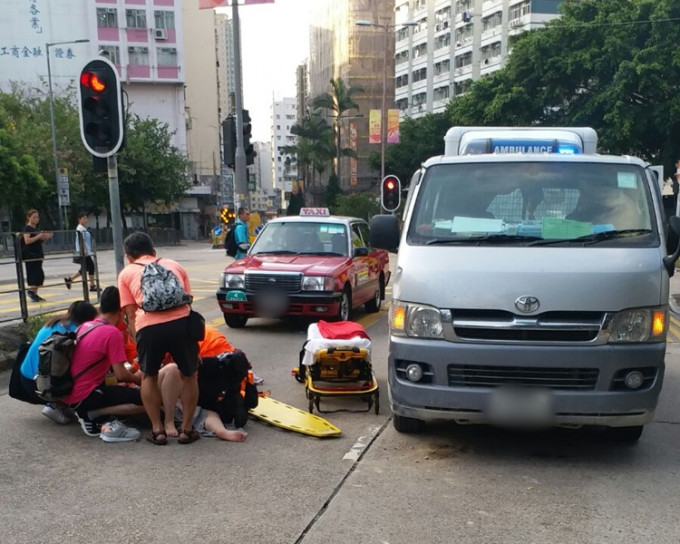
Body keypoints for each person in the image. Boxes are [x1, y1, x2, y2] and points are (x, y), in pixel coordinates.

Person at [117, 231, 200, 446]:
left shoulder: (126, 273)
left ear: (129, 256)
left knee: (149, 377)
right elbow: (187, 300)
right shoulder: (174, 265)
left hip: (149, 327)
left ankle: (158, 430)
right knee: (189, 375)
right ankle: (186, 430)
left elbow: (131, 312)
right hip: (181, 324)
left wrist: (137, 340)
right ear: (154, 251)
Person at [62, 286, 144, 440]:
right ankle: (92, 414)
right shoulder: (111, 333)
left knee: (121, 390)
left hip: (71, 391)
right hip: (86, 394)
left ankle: (93, 411)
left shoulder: (86, 326)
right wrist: (141, 380)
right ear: (121, 311)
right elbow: (121, 374)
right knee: (148, 399)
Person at [18, 300, 99, 423]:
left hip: (25, 376)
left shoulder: (54, 322)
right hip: (41, 385)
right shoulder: (75, 333)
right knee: (84, 370)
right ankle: (54, 405)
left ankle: (60, 403)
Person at [158, 363, 247, 443]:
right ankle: (169, 422)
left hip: (168, 402)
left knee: (208, 414)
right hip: (158, 400)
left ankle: (221, 431)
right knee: (173, 369)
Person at [21, 209, 53, 302]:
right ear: (29, 217)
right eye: (34, 217)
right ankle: (31, 292)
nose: (36, 219)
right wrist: (39, 236)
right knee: (35, 275)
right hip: (31, 255)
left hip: (37, 254)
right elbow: (27, 241)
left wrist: (45, 238)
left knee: (39, 276)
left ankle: (34, 293)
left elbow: (39, 242)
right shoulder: (27, 228)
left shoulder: (35, 229)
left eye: (37, 217)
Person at [65, 212, 97, 292]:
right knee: (91, 266)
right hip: (83, 252)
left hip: (85, 252)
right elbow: (81, 240)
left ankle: (70, 279)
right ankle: (92, 286)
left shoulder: (83, 228)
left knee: (85, 268)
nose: (86, 220)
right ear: (79, 220)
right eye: (84, 218)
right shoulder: (80, 228)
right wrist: (84, 249)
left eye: (86, 218)